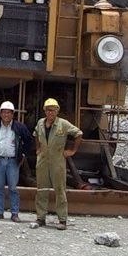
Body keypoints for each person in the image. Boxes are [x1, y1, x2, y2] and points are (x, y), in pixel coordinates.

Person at [34, 98, 83, 230]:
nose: (51, 112)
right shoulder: (40, 123)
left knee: (60, 190)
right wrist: (38, 149)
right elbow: (36, 134)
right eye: (48, 110)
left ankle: (62, 220)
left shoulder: (63, 124)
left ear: (57, 111)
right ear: (45, 111)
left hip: (58, 162)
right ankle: (40, 218)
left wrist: (72, 151)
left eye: (53, 110)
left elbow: (78, 134)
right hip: (43, 161)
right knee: (41, 189)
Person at [0, 101, 34, 222]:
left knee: (13, 188)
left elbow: (29, 141)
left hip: (13, 161)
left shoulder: (19, 127)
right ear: (0, 113)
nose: (6, 115)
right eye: (4, 112)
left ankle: (14, 213)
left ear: (12, 114)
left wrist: (23, 154)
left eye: (8, 112)